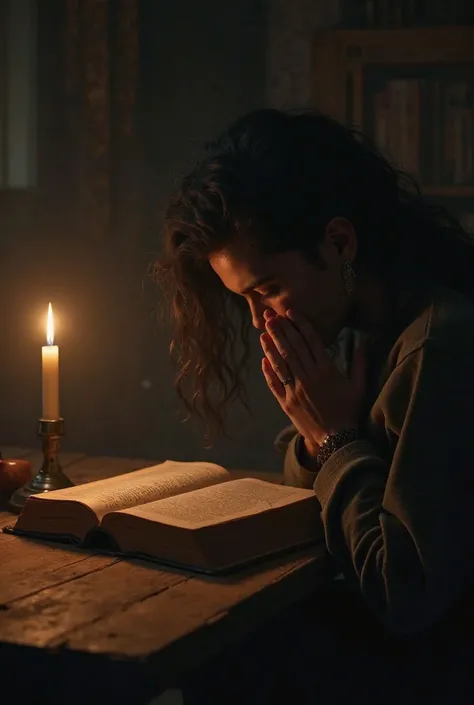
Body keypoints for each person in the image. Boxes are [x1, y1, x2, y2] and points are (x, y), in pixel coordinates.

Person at [155, 109, 474, 704]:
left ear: (338, 242)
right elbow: (317, 494)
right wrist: (314, 438)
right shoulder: (357, 327)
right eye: (244, 302)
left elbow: (403, 592)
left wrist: (334, 439)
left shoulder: (437, 347)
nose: (262, 322)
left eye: (267, 290)